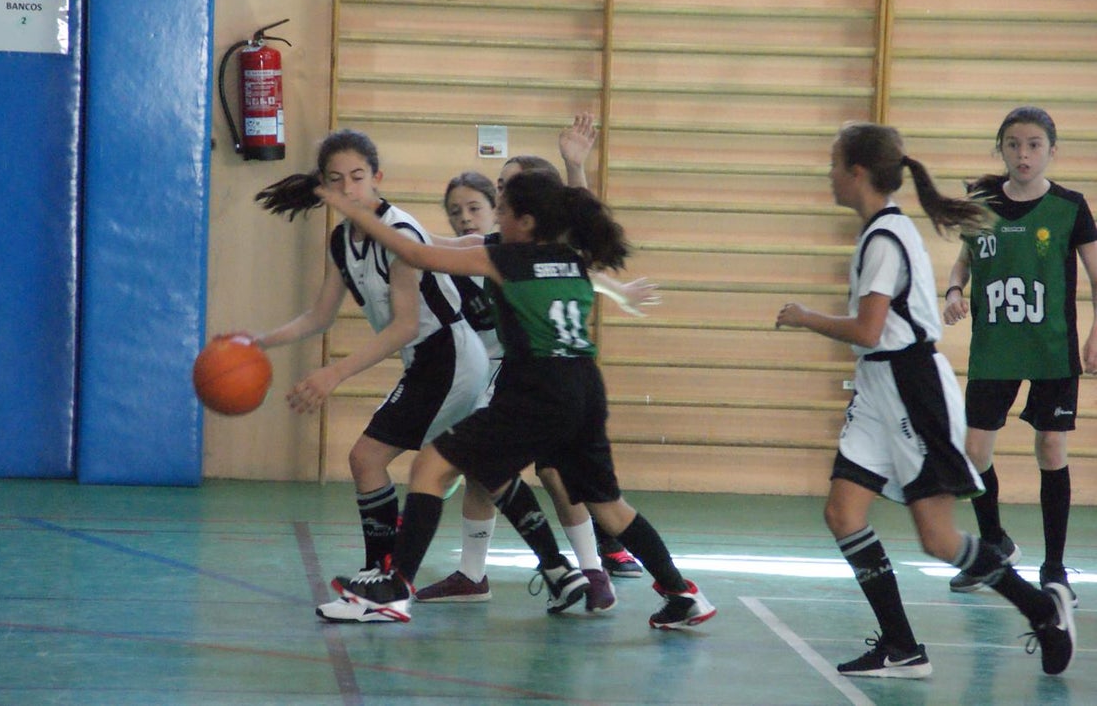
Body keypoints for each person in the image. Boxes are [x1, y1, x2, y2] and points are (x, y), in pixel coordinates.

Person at [316, 170, 717, 629]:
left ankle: (393, 591)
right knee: (609, 504)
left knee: (430, 465)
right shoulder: (571, 258)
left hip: (538, 389)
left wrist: (358, 213)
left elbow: (414, 253)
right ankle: (682, 594)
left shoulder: (506, 259)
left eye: (502, 211)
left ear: (526, 221)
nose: (496, 219)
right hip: (585, 387)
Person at [775, 122, 1075, 677]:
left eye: (835, 165)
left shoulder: (886, 239)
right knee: (842, 514)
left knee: (937, 539)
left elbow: (869, 330)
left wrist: (805, 318)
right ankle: (901, 646)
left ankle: (1040, 610)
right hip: (877, 385)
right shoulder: (877, 232)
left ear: (857, 173)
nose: (830, 176)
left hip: (912, 389)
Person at [250, 128, 490, 585]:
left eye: (357, 177)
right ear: (324, 186)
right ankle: (558, 568)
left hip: (450, 354)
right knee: (467, 465)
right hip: (427, 361)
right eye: (336, 179)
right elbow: (319, 316)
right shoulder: (342, 241)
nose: (348, 189)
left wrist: (333, 374)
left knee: (373, 458)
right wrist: (259, 341)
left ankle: (384, 573)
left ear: (376, 178)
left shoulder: (398, 233)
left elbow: (405, 325)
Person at [416, 167, 652, 609]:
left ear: (507, 211)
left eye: (476, 207)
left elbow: (581, 264)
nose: (465, 217)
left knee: (556, 473)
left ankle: (589, 569)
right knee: (482, 472)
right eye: (455, 210)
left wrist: (620, 291)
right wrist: (381, 221)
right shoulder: (479, 248)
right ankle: (475, 573)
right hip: (498, 374)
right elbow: (423, 244)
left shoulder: (521, 253)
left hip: (539, 376)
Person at [942, 107, 1097, 605]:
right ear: (1001, 150)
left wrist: (1095, 335)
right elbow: (964, 261)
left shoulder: (1070, 207)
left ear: (1051, 150)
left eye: (1033, 145)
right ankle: (995, 544)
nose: (1023, 154)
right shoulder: (982, 205)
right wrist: (953, 290)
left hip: (1051, 348)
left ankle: (1054, 568)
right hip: (995, 348)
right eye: (1013, 144)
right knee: (975, 453)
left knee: (1050, 448)